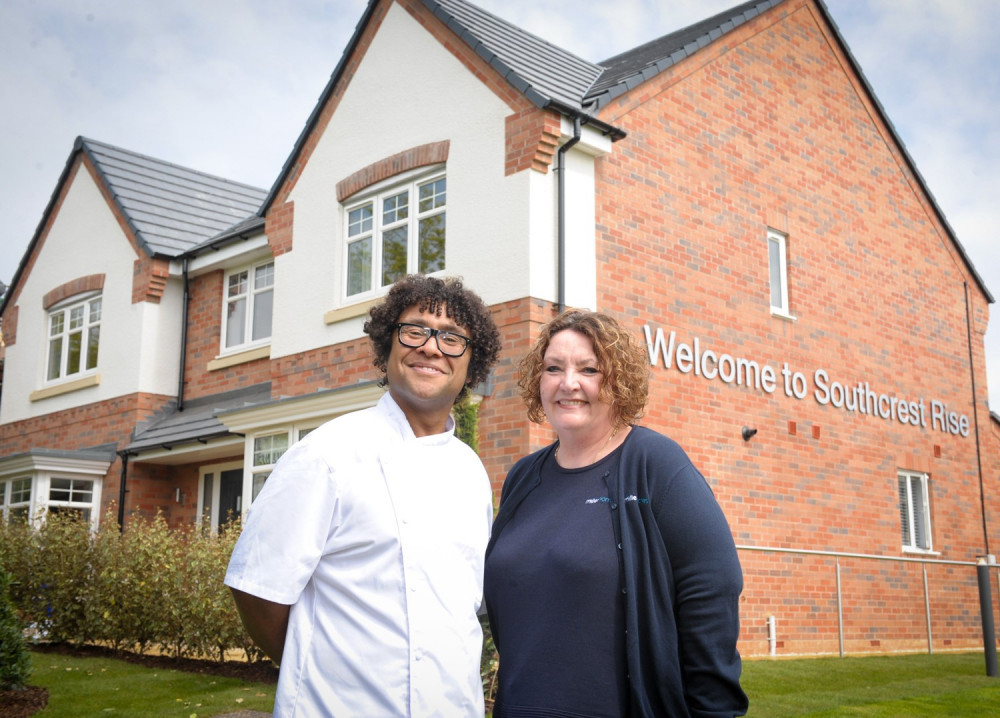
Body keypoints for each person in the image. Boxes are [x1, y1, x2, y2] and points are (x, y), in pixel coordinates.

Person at [225, 274, 502, 717]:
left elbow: (467, 605)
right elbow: (259, 590)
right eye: (414, 330)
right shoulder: (325, 454)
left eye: (452, 338)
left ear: (473, 363)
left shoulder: (470, 472)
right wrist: (319, 668)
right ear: (386, 345)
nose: (431, 347)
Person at [484, 309, 748, 717]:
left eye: (589, 369)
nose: (568, 383)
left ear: (618, 380)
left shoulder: (655, 464)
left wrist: (712, 710)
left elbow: (711, 588)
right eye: (553, 368)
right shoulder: (523, 476)